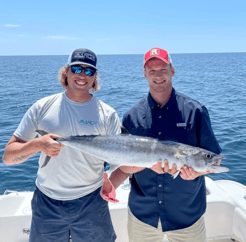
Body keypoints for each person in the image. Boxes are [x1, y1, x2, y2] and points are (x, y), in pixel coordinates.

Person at [102, 47, 222, 242]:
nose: (158, 76)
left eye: (163, 69)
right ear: (145, 74)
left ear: (172, 70)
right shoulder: (132, 116)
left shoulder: (196, 111)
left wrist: (197, 172)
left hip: (187, 215)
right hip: (143, 216)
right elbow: (124, 166)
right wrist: (112, 183)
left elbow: (212, 159)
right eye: (152, 71)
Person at [2, 48, 121, 242]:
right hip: (46, 202)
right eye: (77, 69)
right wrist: (38, 144)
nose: (82, 75)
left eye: (89, 71)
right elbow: (7, 157)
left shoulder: (108, 114)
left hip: (92, 201)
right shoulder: (42, 107)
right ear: (66, 72)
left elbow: (120, 160)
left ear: (94, 78)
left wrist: (112, 182)